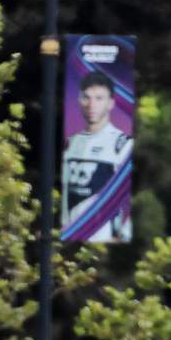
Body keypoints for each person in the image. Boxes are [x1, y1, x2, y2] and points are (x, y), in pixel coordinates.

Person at [61, 72, 133, 243]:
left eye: (99, 98)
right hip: (70, 239)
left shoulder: (122, 144)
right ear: (79, 101)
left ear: (110, 103)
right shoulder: (70, 144)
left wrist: (123, 235)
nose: (91, 104)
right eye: (87, 97)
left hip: (104, 242)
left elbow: (131, 195)